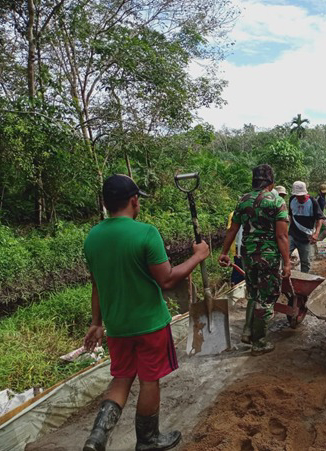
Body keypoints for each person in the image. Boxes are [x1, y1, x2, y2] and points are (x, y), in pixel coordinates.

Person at [82, 174, 210, 451]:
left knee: (122, 378)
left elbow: (97, 285)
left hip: (117, 326)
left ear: (106, 204)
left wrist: (97, 322)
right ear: (133, 201)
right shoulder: (146, 233)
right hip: (149, 324)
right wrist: (198, 256)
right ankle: (148, 439)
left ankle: (96, 438)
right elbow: (167, 279)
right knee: (149, 379)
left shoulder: (92, 237)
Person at [218, 164, 291, 355]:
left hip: (248, 256)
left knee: (253, 293)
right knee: (266, 299)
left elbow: (232, 229)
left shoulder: (243, 200)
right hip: (269, 257)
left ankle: (248, 331)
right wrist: (288, 262)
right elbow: (282, 236)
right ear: (271, 182)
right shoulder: (277, 202)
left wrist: (224, 252)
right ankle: (259, 343)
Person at [288, 181, 323, 273]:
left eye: (301, 195)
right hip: (292, 234)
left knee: (305, 262)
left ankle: (304, 279)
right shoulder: (292, 200)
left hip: (305, 237)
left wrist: (316, 233)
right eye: (297, 195)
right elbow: (291, 216)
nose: (299, 197)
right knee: (283, 255)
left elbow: (320, 219)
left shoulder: (312, 202)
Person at [226, 209, 244, 285]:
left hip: (241, 248)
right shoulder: (235, 214)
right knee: (239, 270)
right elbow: (232, 231)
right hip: (239, 248)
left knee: (239, 269)